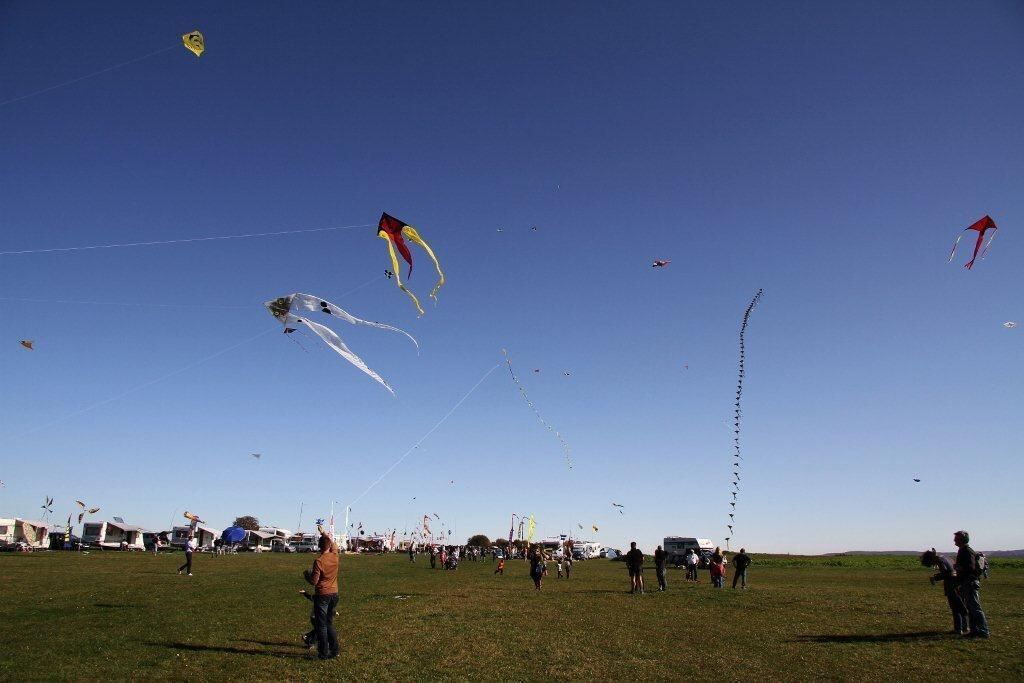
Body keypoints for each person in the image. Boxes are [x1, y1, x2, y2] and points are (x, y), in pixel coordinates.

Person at [304, 534, 340, 659]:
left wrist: (306, 575)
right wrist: (324, 532)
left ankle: (323, 653)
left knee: (321, 626)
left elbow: (314, 581)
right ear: (330, 545)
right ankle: (334, 650)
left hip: (322, 595)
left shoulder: (319, 561)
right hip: (334, 594)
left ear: (319, 546)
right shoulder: (335, 556)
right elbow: (333, 543)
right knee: (329, 623)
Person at [920, 548, 967, 635]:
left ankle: (958, 628)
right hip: (959, 583)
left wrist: (935, 578)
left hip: (951, 585)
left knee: (955, 607)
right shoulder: (945, 557)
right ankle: (964, 627)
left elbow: (947, 573)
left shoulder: (940, 561)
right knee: (960, 605)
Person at [954, 530, 990, 638]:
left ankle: (983, 631)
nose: (954, 540)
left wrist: (959, 568)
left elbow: (970, 568)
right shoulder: (964, 550)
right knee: (970, 607)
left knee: (975, 607)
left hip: (970, 582)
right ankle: (974, 630)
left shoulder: (966, 551)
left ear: (962, 539)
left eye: (956, 538)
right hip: (967, 582)